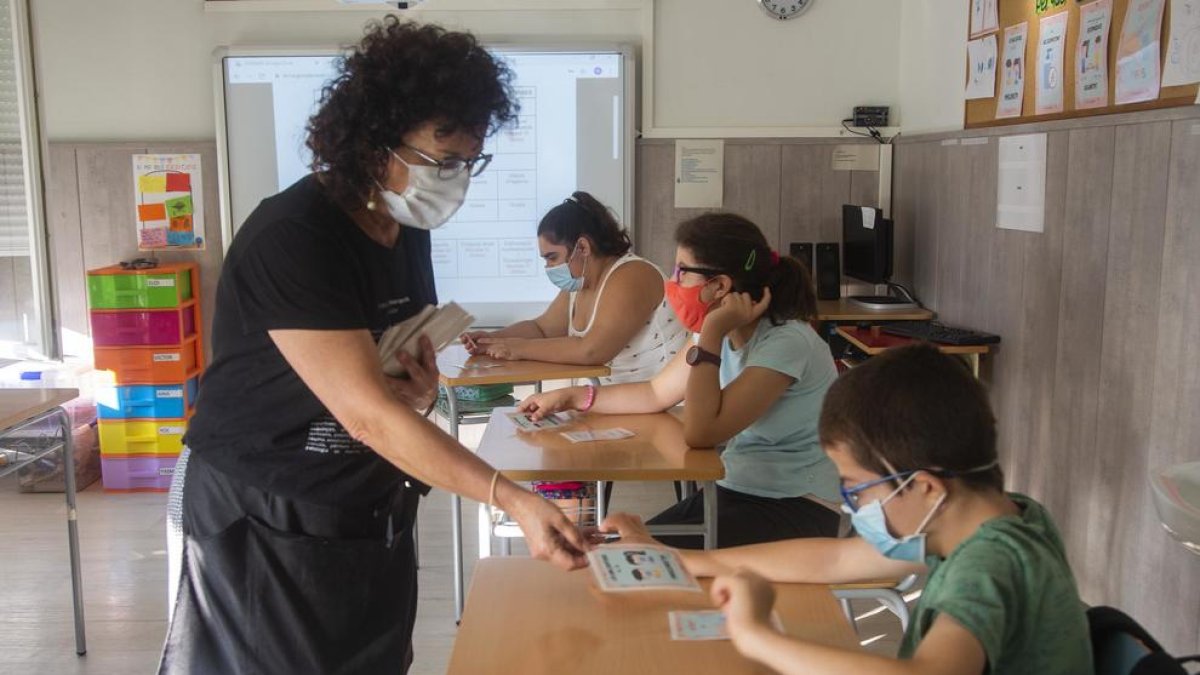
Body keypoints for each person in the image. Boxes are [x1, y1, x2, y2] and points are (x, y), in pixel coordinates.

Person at [159, 19, 589, 675]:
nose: (456, 178)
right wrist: (511, 496)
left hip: (363, 497)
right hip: (265, 496)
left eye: (469, 160)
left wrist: (417, 393)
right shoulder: (296, 235)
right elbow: (363, 413)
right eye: (441, 159)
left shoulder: (403, 226)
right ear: (373, 139)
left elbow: (384, 381)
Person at [601, 344, 1094, 675]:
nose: (851, 503)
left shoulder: (990, 566)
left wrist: (755, 637)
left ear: (923, 487)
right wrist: (678, 557)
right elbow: (833, 560)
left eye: (859, 488)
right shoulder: (995, 521)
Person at [519, 212, 842, 548]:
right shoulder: (720, 331)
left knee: (628, 557)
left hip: (798, 509)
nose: (673, 282)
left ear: (719, 285)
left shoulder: (785, 342)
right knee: (612, 550)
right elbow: (655, 392)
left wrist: (712, 332)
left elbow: (702, 432)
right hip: (738, 491)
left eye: (682, 272)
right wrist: (573, 397)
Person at [463, 191, 686, 384]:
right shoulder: (580, 284)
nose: (548, 267)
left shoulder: (632, 275)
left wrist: (516, 348)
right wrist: (492, 340)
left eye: (552, 257)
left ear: (582, 247)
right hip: (619, 402)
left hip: (665, 406)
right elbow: (542, 329)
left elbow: (591, 350)